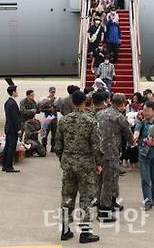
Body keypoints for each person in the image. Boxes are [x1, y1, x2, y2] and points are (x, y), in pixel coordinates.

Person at [55, 91, 103, 243]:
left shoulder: (64, 120)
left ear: (72, 102)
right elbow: (96, 146)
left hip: (68, 164)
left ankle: (65, 229)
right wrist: (98, 164)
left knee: (67, 196)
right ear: (84, 102)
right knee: (86, 198)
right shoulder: (90, 121)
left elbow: (57, 145)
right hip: (85, 165)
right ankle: (85, 232)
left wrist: (63, 159)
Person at [95, 93, 133, 222]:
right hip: (110, 153)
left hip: (99, 152)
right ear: (122, 104)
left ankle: (109, 203)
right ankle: (104, 210)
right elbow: (129, 134)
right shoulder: (119, 117)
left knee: (101, 180)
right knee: (109, 181)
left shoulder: (99, 113)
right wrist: (133, 142)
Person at [133, 102, 154, 211]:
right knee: (145, 178)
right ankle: (147, 199)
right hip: (144, 155)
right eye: (144, 110)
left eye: (147, 110)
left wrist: (153, 143)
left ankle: (153, 196)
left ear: (153, 111)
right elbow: (137, 132)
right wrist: (135, 137)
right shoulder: (141, 123)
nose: (145, 112)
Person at [3, 85, 22, 173]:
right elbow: (15, 118)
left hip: (8, 128)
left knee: (7, 147)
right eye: (16, 91)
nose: (17, 92)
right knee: (11, 148)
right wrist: (18, 129)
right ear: (13, 92)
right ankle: (9, 166)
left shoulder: (7, 102)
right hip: (12, 129)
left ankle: (4, 165)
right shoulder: (13, 103)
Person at [38, 86, 58, 152]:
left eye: (54, 92)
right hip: (47, 119)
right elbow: (40, 109)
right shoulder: (45, 100)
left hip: (54, 119)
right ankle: (44, 147)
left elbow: (59, 109)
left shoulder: (56, 100)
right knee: (45, 134)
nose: (53, 93)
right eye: (52, 92)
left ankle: (53, 147)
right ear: (49, 92)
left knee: (54, 135)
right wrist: (47, 110)